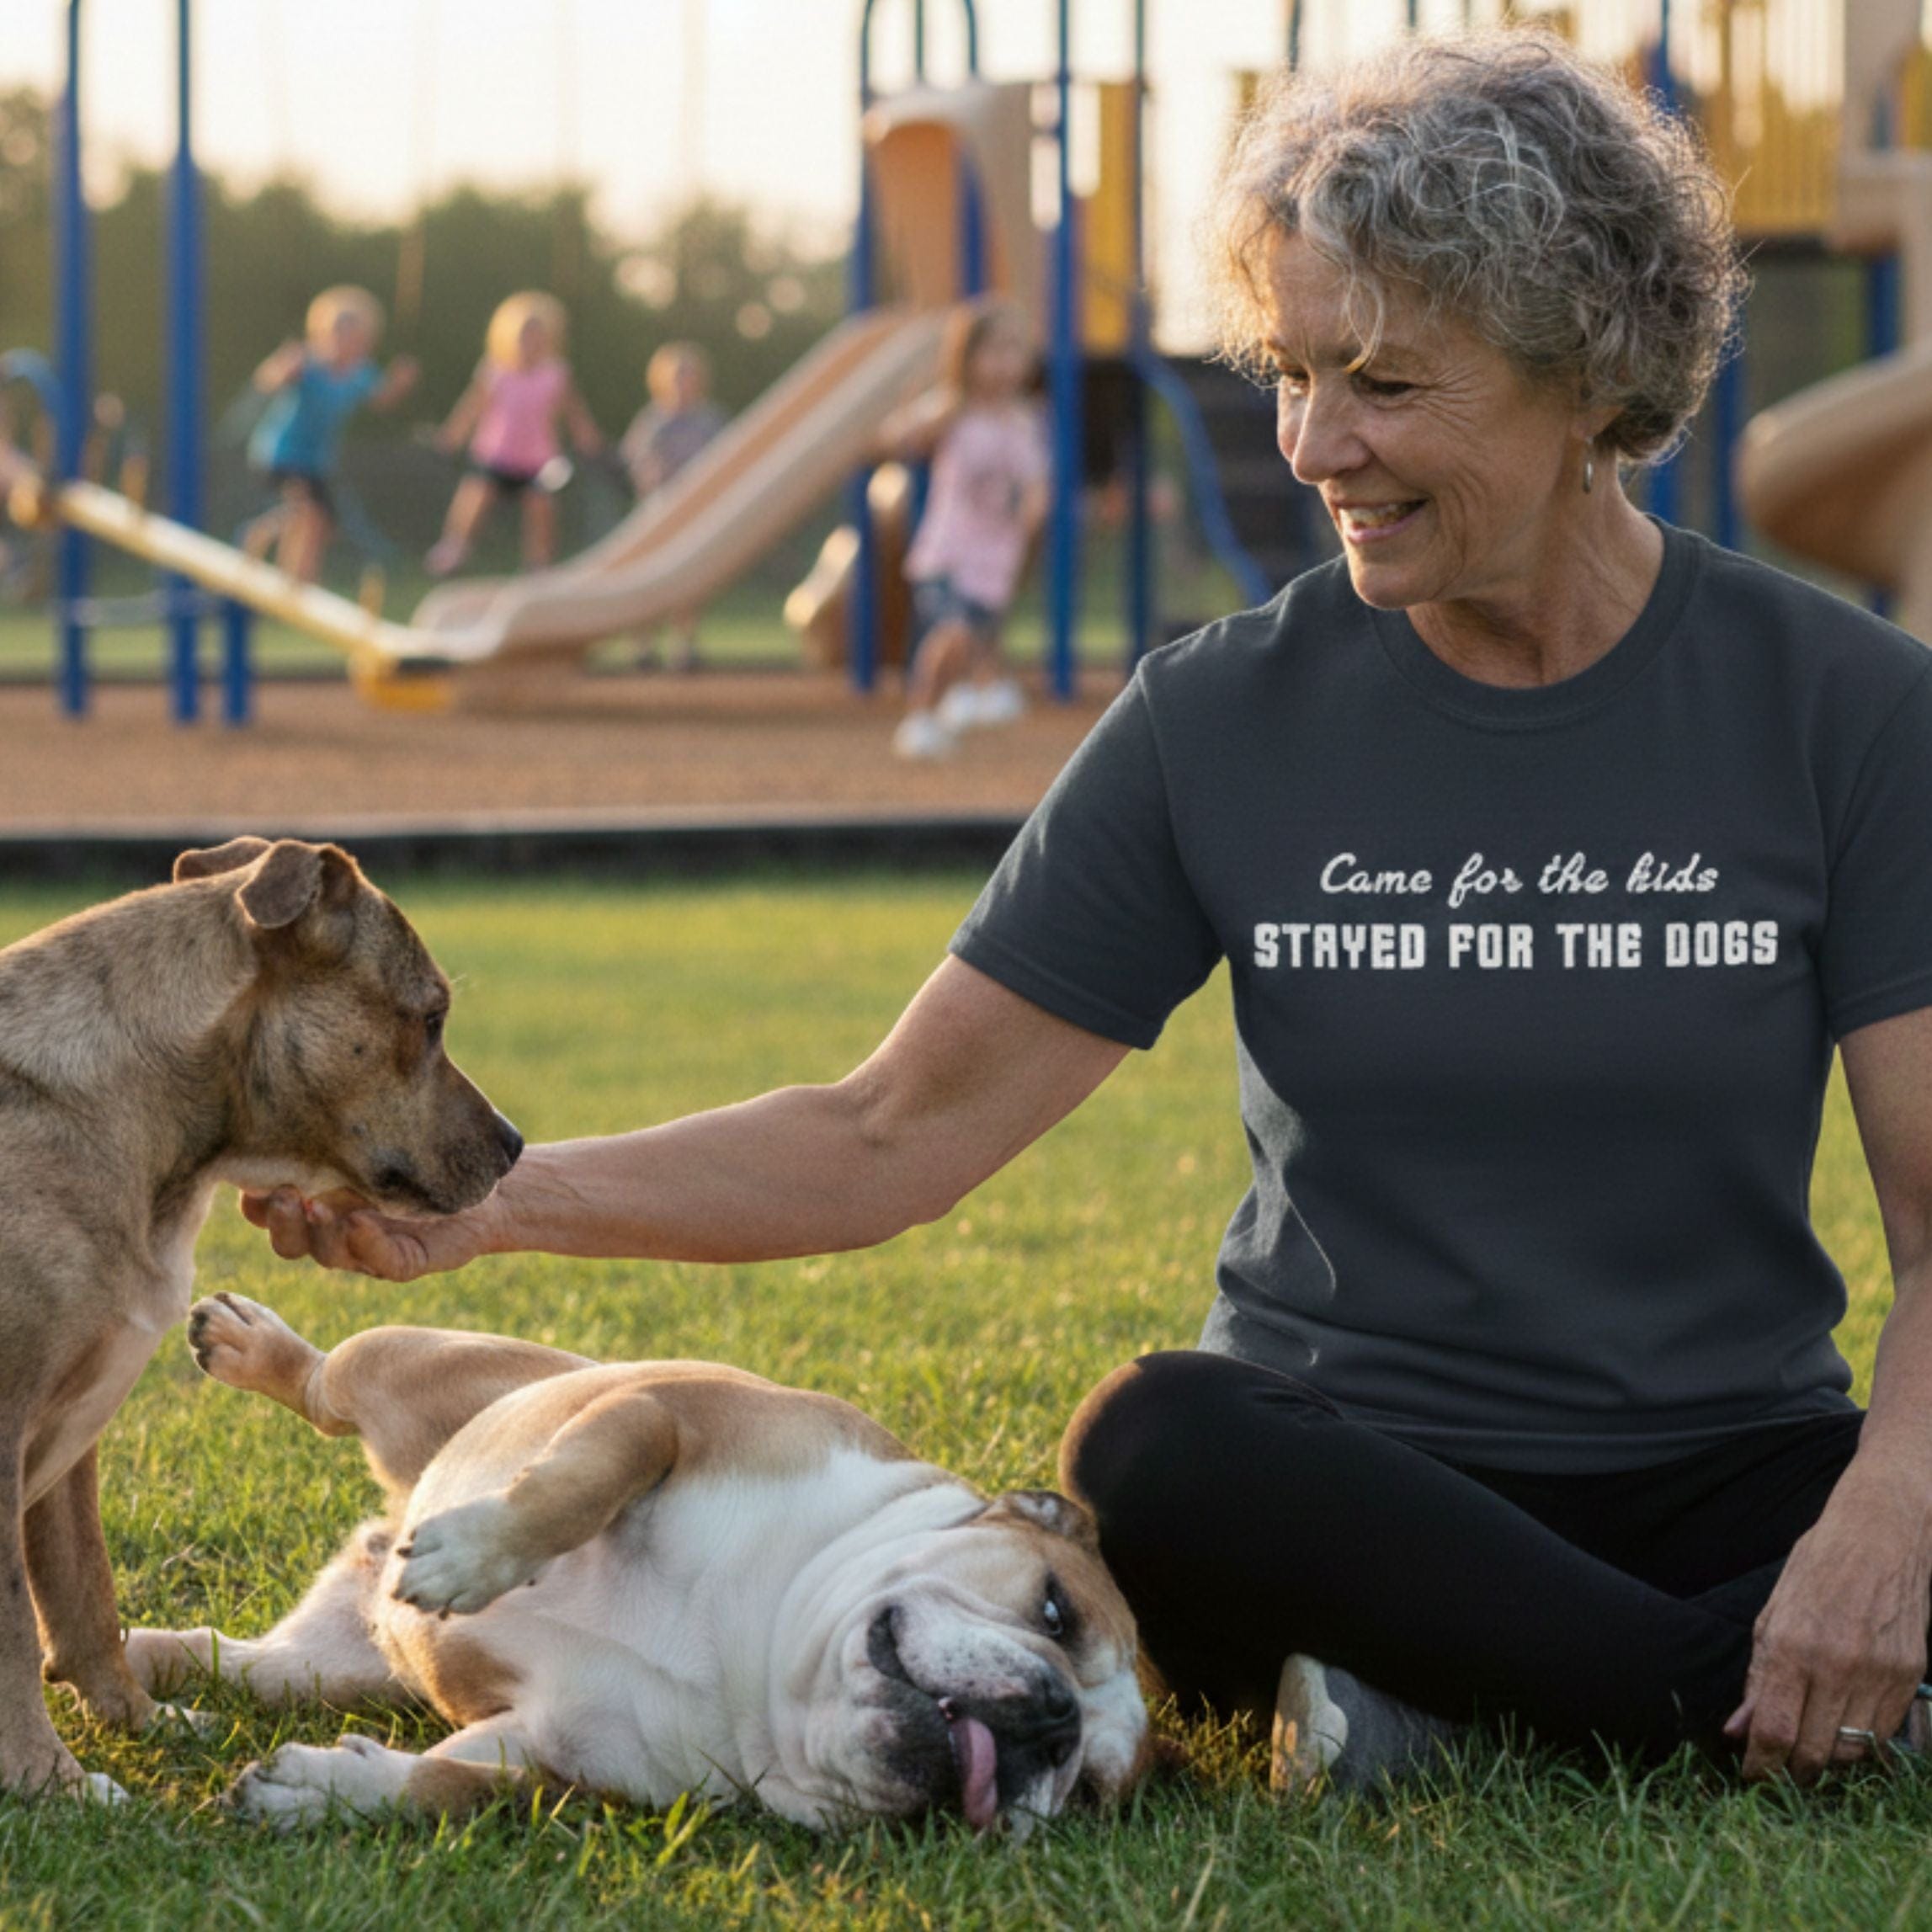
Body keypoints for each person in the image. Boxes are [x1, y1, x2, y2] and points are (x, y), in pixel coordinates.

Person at [245, 32, 1932, 1795]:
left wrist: (1883, 1523)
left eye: (1382, 383)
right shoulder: (1221, 719)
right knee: (1155, 1435)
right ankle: (1714, 1701)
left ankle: (1467, 1699)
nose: (1312, 445)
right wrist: (486, 1207)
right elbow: (889, 1128)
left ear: (1584, 365)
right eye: (1288, 372)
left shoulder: (1844, 707)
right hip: (1332, 1482)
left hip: (1731, 1461)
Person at [881, 300, 1049, 760]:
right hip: (948, 551)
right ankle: (920, 715)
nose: (1002, 364)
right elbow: (896, 436)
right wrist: (918, 421)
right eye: (991, 352)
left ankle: (969, 694)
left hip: (994, 558)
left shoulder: (1022, 421)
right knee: (950, 636)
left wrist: (1034, 512)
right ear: (967, 358)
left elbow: (1035, 482)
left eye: (1013, 351)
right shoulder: (954, 410)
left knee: (975, 640)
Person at [242, 288, 418, 584]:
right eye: (338, 330)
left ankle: (294, 581)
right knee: (308, 512)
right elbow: (267, 380)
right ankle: (262, 535)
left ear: (365, 340)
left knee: (323, 524)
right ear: (321, 333)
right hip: (279, 454)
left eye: (353, 332)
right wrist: (282, 370)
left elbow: (382, 399)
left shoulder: (361, 373)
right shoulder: (309, 363)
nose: (344, 339)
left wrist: (400, 383)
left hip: (315, 462)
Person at [427, 292, 603, 577]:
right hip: (497, 454)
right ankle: (454, 548)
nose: (530, 342)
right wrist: (453, 435)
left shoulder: (556, 374)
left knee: (543, 505)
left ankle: (540, 563)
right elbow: (472, 408)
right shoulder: (494, 372)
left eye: (537, 335)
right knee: (476, 494)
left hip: (540, 458)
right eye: (524, 335)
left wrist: (587, 436)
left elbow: (574, 411)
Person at [620, 342, 728, 670]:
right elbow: (637, 462)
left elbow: (727, 460)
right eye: (677, 376)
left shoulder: (710, 421)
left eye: (689, 376)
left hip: (697, 511)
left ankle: (684, 645)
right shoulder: (654, 421)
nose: (683, 383)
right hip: (660, 509)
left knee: (689, 579)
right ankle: (643, 645)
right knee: (647, 576)